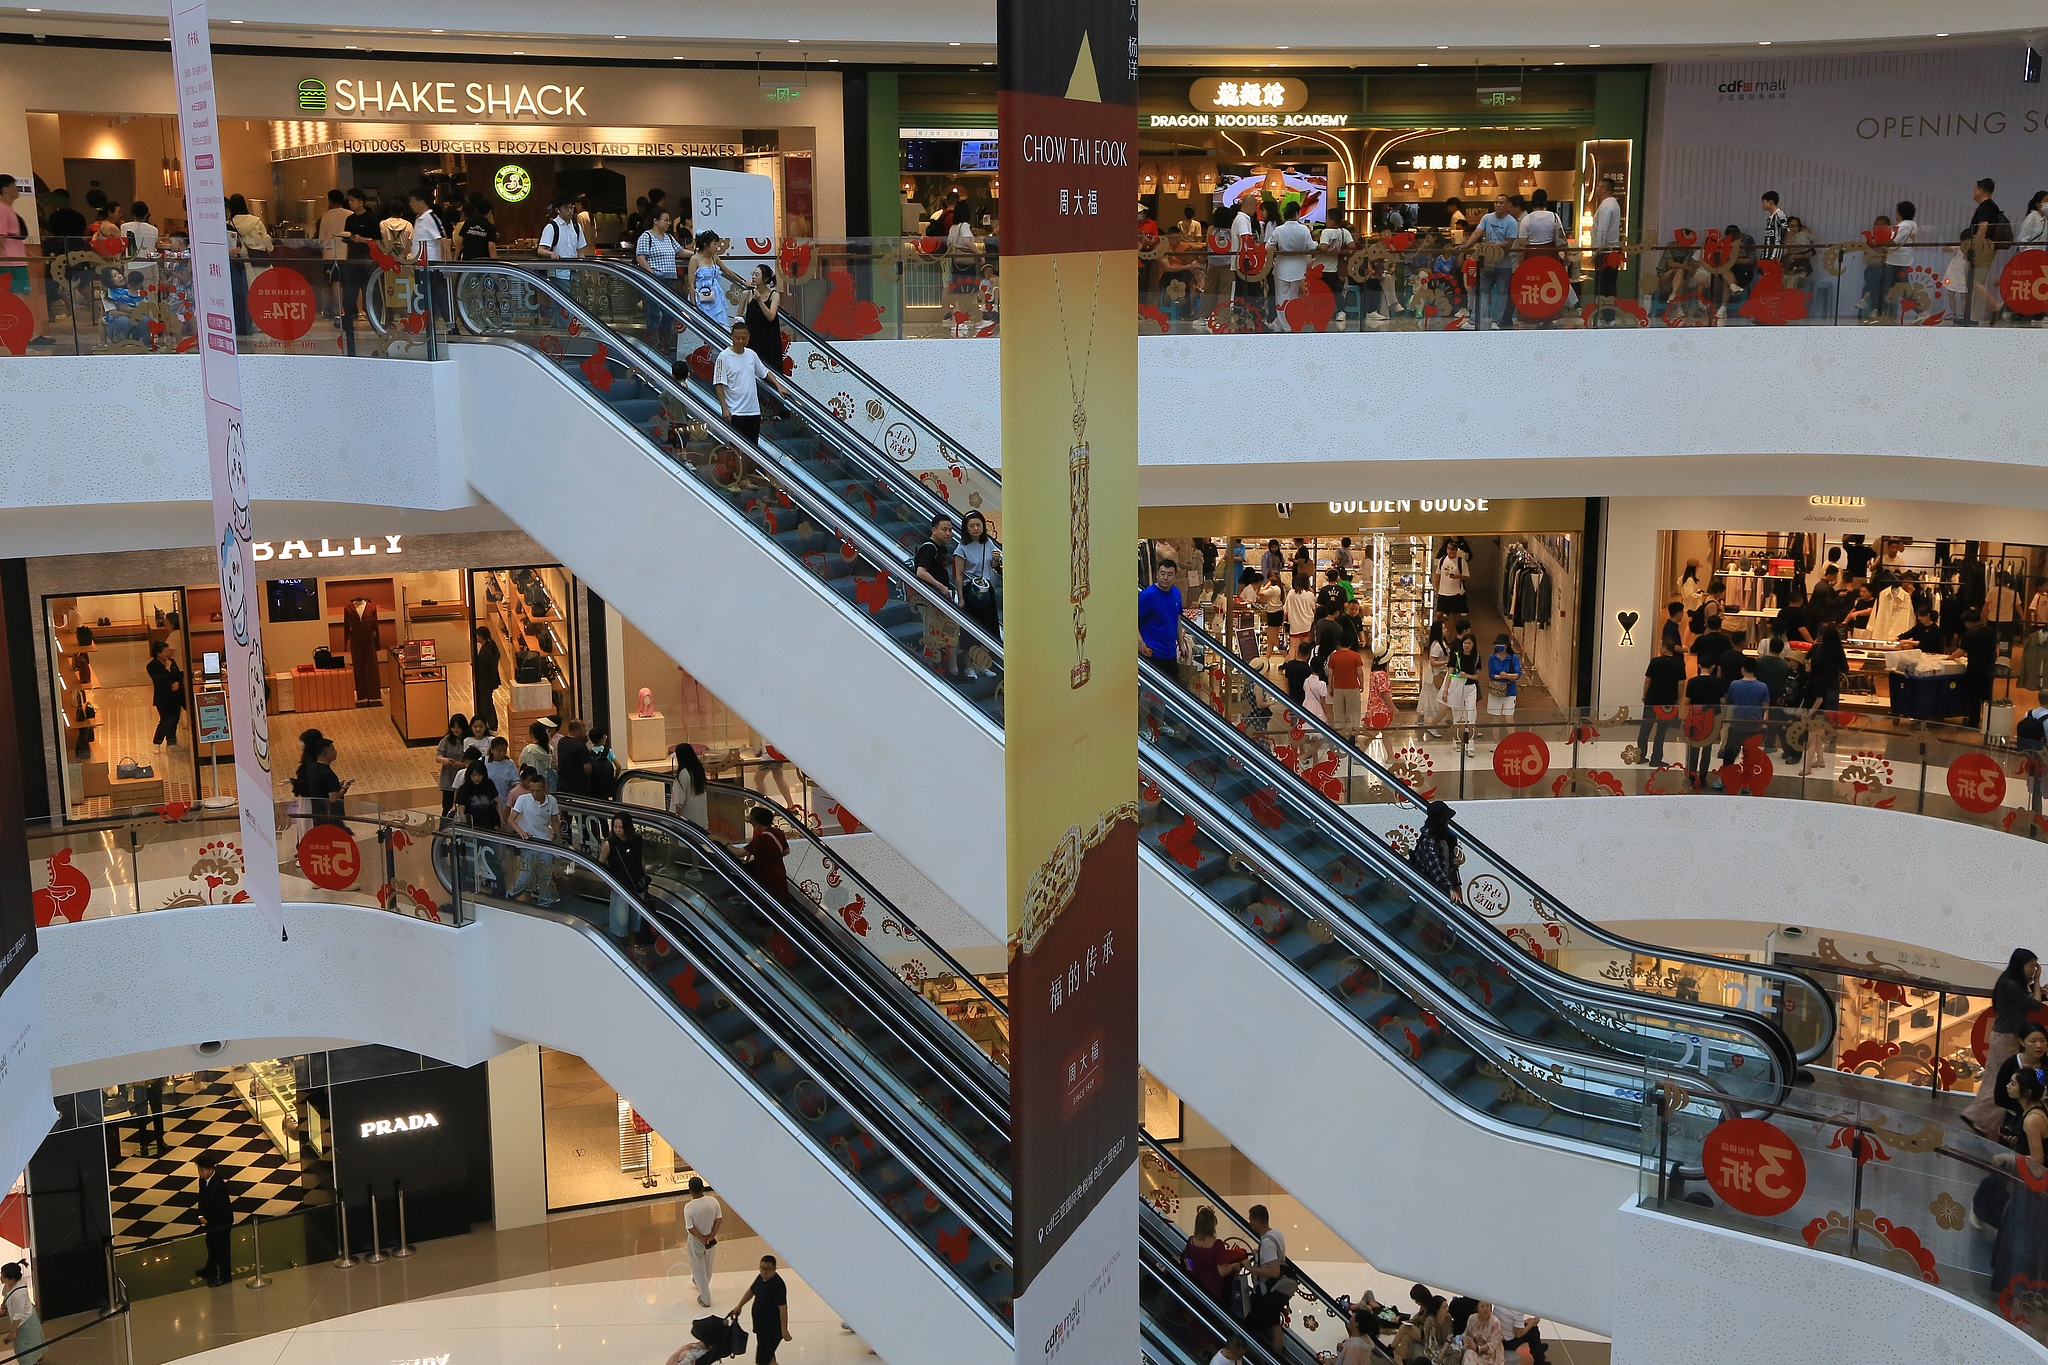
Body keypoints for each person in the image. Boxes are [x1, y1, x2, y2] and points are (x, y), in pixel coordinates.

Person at [1969, 950, 2045, 1138]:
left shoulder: (2009, 981)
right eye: (2031, 966)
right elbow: (2035, 1005)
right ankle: (1976, 1118)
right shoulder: (2012, 985)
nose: (2033, 970)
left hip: (2004, 1035)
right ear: (2020, 965)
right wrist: (2037, 981)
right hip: (2006, 1037)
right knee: (1999, 1081)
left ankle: (1984, 1122)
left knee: (1997, 1080)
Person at [1992, 1067, 2048, 1310]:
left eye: (2013, 1083)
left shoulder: (2032, 1119)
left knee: (2023, 1234)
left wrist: (2009, 1157)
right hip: (2032, 1185)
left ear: (2025, 1091)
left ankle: (2020, 1287)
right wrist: (2019, 1142)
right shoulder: (2036, 1112)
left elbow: (2038, 1159)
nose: (2008, 1086)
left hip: (2034, 1188)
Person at [714, 319, 784, 446]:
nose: (741, 341)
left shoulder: (751, 354)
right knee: (736, 447)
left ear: (749, 337)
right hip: (735, 411)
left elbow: (764, 372)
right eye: (737, 338)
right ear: (732, 336)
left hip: (753, 411)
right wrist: (724, 408)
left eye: (744, 338)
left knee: (753, 447)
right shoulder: (723, 357)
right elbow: (719, 383)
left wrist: (778, 385)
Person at [1180, 1205, 1248, 1312]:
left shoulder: (1191, 1241)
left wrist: (1194, 1271)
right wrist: (1233, 1266)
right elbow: (1222, 1271)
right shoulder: (1217, 1244)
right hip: (1213, 1290)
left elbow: (1188, 1263)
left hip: (1195, 1287)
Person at [1717, 656, 1772, 788]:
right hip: (1755, 727)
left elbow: (1729, 700)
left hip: (1737, 725)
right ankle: (1747, 783)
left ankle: (1724, 779)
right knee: (1751, 756)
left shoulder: (1735, 684)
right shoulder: (1763, 687)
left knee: (1730, 754)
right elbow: (1766, 706)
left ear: (1743, 669)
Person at [509, 772, 562, 908]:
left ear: (545, 787)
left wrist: (559, 839)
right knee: (525, 876)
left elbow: (554, 821)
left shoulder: (552, 801)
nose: (535, 794)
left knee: (545, 876)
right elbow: (511, 819)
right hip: (529, 843)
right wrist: (521, 832)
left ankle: (544, 903)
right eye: (532, 790)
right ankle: (511, 895)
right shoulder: (523, 800)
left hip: (545, 843)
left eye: (538, 790)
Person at [1469, 192, 1520, 330]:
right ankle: (1475, 320)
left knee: (1502, 293)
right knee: (1483, 291)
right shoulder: (1487, 218)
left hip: (1504, 263)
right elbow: (1477, 232)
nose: (1497, 205)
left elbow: (1509, 242)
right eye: (1496, 202)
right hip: (1488, 264)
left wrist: (1492, 247)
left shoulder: (1511, 222)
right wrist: (1467, 245)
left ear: (1507, 205)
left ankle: (1496, 321)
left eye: (1501, 203)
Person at [954, 509, 1002, 655]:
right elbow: (959, 575)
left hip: (986, 588)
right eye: (972, 526)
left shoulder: (988, 543)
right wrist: (961, 598)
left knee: (990, 624)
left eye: (978, 525)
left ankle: (989, 659)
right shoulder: (961, 548)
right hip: (971, 589)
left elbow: (991, 566)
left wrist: (996, 559)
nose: (976, 528)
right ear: (966, 528)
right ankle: (969, 662)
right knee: (972, 626)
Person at [1244, 1204, 1290, 1356]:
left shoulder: (1267, 1243)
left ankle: (1263, 1357)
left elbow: (1274, 1271)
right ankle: (1277, 1357)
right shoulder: (1276, 1233)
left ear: (1257, 1222)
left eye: (1251, 1220)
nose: (1249, 1223)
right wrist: (1259, 1255)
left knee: (1254, 1325)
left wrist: (1251, 1268)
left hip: (1266, 1292)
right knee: (1275, 1324)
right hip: (1275, 1290)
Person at [1993, 1025, 2048, 1150]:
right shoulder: (2011, 1064)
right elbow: (2000, 1098)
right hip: (2015, 1119)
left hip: (2043, 1117)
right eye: (2032, 1041)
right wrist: (2026, 1107)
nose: (2039, 1045)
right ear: (2022, 1042)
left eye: (2042, 1040)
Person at [453, 759, 504, 894]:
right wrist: (466, 829)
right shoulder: (464, 789)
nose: (477, 778)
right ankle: (469, 886)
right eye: (474, 775)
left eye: (479, 775)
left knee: (494, 859)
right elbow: (461, 811)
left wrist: (501, 821)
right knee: (470, 859)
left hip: (489, 828)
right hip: (472, 830)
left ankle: (500, 889)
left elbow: (497, 802)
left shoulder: (489, 784)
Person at [1635, 637, 1686, 767]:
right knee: (1661, 730)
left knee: (1645, 727)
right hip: (1668, 702)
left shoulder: (1655, 662)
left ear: (1664, 647)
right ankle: (1656, 758)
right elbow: (1681, 683)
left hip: (1652, 699)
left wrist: (1644, 695)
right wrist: (1679, 699)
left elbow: (1648, 680)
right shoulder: (1679, 664)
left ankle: (1640, 755)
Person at [731, 1254, 791, 1363]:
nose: (764, 1272)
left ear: (774, 1269)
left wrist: (784, 1330)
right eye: (762, 1268)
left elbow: (783, 1309)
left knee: (762, 1360)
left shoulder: (778, 1285)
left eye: (767, 1269)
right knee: (768, 1355)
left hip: (772, 1330)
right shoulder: (760, 1278)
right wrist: (740, 1305)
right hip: (761, 1328)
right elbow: (751, 1290)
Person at [1964, 177, 2009, 324]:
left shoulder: (1984, 207)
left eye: (1975, 189)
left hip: (1982, 249)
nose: (1974, 192)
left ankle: (1997, 307)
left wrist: (1975, 246)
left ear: (1980, 190)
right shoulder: (1992, 207)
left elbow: (1983, 227)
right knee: (1978, 282)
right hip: (1988, 247)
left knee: (1973, 281)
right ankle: (1974, 315)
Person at [635, 207, 683, 337]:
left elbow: (680, 251)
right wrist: (651, 275)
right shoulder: (646, 236)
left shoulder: (669, 237)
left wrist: (697, 254)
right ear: (655, 221)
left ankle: (662, 339)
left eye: (669, 220)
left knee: (669, 313)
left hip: (670, 280)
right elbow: (640, 258)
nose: (668, 223)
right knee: (653, 313)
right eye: (665, 220)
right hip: (655, 280)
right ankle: (654, 342)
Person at [598, 814, 647, 939]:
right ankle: (622, 945)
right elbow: (601, 864)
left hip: (637, 884)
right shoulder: (610, 844)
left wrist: (645, 879)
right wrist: (609, 883)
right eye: (615, 827)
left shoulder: (636, 841)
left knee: (637, 918)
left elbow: (641, 860)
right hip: (620, 886)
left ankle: (633, 944)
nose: (617, 830)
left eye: (621, 827)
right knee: (621, 920)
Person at [1139, 558, 1186, 685]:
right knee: (1153, 692)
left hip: (1170, 653)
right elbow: (1133, 621)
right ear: (1157, 574)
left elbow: (1177, 618)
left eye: (1170, 574)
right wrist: (1141, 644)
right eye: (1162, 573)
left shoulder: (1176, 593)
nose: (1165, 577)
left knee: (1172, 689)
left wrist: (1181, 643)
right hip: (1152, 653)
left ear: (1175, 577)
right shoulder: (1147, 596)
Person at [1268, 201, 1315, 320]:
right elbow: (1312, 246)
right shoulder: (1304, 230)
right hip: (1298, 269)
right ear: (1297, 213)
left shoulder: (1279, 230)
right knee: (1294, 298)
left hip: (1281, 268)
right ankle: (1292, 322)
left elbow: (1268, 246)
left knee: (1281, 299)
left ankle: (1283, 324)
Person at [291, 729, 350, 824]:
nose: (335, 752)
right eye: (333, 750)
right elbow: (334, 798)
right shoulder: (327, 774)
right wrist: (344, 788)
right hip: (329, 816)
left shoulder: (313, 767)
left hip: (317, 813)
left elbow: (320, 786)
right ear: (325, 754)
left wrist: (336, 785)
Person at [733, 806, 790, 904]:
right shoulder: (778, 832)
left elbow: (739, 853)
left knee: (767, 901)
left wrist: (723, 842)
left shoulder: (761, 839)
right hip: (779, 873)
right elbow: (786, 851)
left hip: (766, 876)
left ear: (756, 821)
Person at [1408, 800, 1462, 903]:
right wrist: (1450, 889)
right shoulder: (1429, 841)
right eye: (1446, 819)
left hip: (1439, 887)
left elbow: (1443, 862)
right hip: (1430, 891)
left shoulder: (1443, 837)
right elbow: (1435, 869)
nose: (1448, 821)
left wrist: (1454, 862)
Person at [1954, 607, 1999, 728]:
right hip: (1989, 668)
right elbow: (1996, 648)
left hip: (1975, 669)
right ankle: (1989, 721)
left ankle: (1973, 722)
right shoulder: (1991, 631)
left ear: (1968, 622)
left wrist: (1949, 657)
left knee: (1974, 697)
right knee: (1987, 696)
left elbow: (1960, 652)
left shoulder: (1969, 634)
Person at [683, 1176, 723, 1308]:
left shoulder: (689, 1207)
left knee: (698, 1267)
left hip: (696, 1241)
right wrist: (711, 1236)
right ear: (703, 1187)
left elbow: (690, 1228)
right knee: (708, 1265)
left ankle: (705, 1298)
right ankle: (699, 1283)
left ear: (690, 1190)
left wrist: (702, 1238)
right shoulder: (713, 1201)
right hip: (711, 1240)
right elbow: (719, 1219)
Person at [195, 1155, 235, 1285]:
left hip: (221, 1222)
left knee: (222, 1249)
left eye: (202, 1170)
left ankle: (225, 1276)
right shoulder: (203, 1181)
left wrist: (208, 1220)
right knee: (211, 1245)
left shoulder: (217, 1184)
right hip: (211, 1221)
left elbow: (218, 1207)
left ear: (211, 1170)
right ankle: (211, 1269)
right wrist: (200, 1214)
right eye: (199, 1169)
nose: (200, 1173)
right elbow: (202, 1198)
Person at [744, 264, 785, 379]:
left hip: (769, 339)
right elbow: (739, 315)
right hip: (753, 338)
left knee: (772, 369)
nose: (753, 277)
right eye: (753, 274)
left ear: (766, 278)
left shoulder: (774, 295)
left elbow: (771, 316)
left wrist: (760, 301)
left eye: (757, 274)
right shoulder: (747, 294)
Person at [0, 1262, 43, 1365]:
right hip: (22, 1318)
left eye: (2, 1275)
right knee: (31, 1343)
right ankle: (35, 1358)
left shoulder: (19, 1293)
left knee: (24, 1346)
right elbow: (6, 1295)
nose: (0, 1277)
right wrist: (4, 1305)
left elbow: (18, 1316)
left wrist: (12, 1332)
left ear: (11, 1278)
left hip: (25, 1322)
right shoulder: (12, 1282)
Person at [1445, 634, 1481, 757]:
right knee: (1457, 715)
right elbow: (1449, 674)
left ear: (1473, 645)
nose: (1467, 645)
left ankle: (1470, 745)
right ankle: (1457, 741)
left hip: (1471, 688)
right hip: (1457, 687)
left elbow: (1477, 676)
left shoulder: (1476, 657)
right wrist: (1445, 690)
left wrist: (1467, 676)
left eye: (1469, 643)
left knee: (1471, 713)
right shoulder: (1456, 656)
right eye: (1465, 643)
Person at [147, 638, 185, 746]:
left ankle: (171, 741)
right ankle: (157, 742)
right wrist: (167, 669)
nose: (168, 654)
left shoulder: (172, 661)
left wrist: (178, 682)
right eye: (165, 652)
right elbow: (159, 680)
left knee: (175, 719)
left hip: (175, 696)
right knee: (166, 719)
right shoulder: (152, 666)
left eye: (168, 651)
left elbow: (178, 675)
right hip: (163, 697)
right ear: (158, 653)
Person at [1590, 182, 1623, 305]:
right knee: (1609, 285)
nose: (1596, 189)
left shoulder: (1606, 207)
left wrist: (1597, 251)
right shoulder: (1613, 204)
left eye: (1598, 186)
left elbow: (1602, 231)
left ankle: (1604, 312)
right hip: (1611, 251)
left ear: (1604, 189)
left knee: (1603, 286)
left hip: (1605, 252)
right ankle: (1608, 312)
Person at [1325, 633, 1364, 739]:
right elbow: (1359, 672)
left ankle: (1340, 737)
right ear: (1350, 643)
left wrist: (1330, 687)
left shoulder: (1333, 656)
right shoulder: (1355, 656)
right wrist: (1361, 684)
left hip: (1338, 687)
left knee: (1339, 714)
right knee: (1353, 714)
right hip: (1352, 687)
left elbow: (1330, 674)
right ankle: (1352, 738)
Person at [689, 231, 730, 328]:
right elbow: (691, 284)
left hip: (715, 295)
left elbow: (727, 271)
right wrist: (693, 306)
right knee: (703, 325)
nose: (716, 247)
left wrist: (743, 282)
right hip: (701, 295)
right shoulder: (695, 259)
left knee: (720, 323)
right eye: (714, 244)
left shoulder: (714, 257)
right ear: (705, 245)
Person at [436, 714, 474, 815]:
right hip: (449, 778)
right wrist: (445, 760)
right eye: (453, 727)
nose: (455, 730)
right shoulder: (447, 739)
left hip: (463, 777)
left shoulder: (468, 740)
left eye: (458, 727)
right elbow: (438, 756)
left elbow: (472, 760)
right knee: (447, 807)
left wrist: (460, 764)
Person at [670, 743, 710, 828]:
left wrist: (675, 822)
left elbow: (679, 802)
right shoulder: (699, 770)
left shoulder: (682, 774)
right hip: (701, 821)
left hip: (687, 824)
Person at [470, 625, 502, 731]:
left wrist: (475, 664)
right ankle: (491, 723)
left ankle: (491, 724)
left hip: (486, 682)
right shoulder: (491, 646)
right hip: (490, 681)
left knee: (486, 704)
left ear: (481, 636)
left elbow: (484, 667)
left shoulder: (486, 651)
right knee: (487, 702)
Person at [1485, 634, 1520, 725]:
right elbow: (1491, 675)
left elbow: (1517, 674)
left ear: (1507, 645)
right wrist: (1500, 676)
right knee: (1495, 717)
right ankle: (1496, 735)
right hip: (1496, 690)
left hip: (1510, 690)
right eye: (1497, 644)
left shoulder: (1513, 657)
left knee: (1509, 717)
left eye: (1501, 644)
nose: (1499, 646)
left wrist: (1507, 675)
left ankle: (1512, 735)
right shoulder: (1492, 657)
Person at [554, 717, 593, 797]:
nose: (585, 730)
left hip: (563, 784)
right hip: (578, 787)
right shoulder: (580, 745)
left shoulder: (562, 741)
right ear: (575, 730)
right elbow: (587, 768)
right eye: (583, 727)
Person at [1283, 572, 1317, 653]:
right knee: (1305, 645)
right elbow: (1313, 607)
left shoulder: (1291, 593)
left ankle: (1291, 661)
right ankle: (1303, 660)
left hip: (1294, 623)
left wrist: (1284, 621)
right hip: (1306, 623)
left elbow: (1285, 609)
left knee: (1293, 646)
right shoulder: (1309, 594)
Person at [1435, 542, 1469, 618]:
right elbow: (1438, 574)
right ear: (1447, 550)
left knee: (1453, 615)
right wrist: (1436, 588)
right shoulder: (1442, 560)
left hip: (1455, 592)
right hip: (1443, 592)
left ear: (1456, 551)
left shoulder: (1461, 561)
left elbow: (1466, 576)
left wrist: (1458, 576)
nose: (1452, 555)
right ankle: (1444, 625)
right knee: (1439, 614)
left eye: (1454, 553)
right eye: (1450, 553)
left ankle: (1450, 626)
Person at [458, 196, 498, 261]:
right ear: (490, 211)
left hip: (468, 261)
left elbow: (460, 241)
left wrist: (455, 258)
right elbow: (491, 247)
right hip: (482, 262)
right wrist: (495, 263)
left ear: (477, 210)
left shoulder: (468, 223)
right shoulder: (490, 227)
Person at [585, 726, 620, 800]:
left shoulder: (589, 753)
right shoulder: (608, 751)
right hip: (607, 785)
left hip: (595, 786)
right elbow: (618, 766)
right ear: (602, 739)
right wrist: (614, 779)